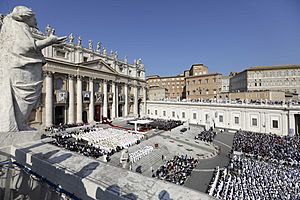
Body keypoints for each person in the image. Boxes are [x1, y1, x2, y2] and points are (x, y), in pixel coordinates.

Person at [0, 6, 66, 132]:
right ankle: (18, 124)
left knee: (24, 98)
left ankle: (19, 123)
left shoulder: (12, 25)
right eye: (34, 17)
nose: (36, 20)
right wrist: (49, 41)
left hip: (20, 67)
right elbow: (26, 46)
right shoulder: (19, 26)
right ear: (26, 17)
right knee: (25, 97)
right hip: (22, 68)